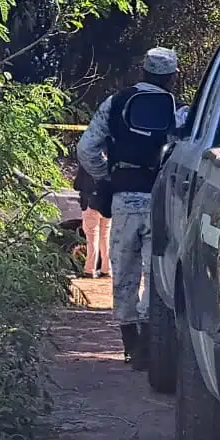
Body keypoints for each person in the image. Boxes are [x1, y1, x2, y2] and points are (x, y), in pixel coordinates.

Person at [76, 47, 181, 369]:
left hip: (124, 199)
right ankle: (152, 346)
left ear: (143, 71)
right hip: (163, 202)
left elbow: (87, 147)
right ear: (172, 77)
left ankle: (130, 345)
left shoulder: (116, 102)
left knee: (124, 270)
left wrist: (106, 176)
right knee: (156, 271)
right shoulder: (179, 110)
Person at [71, 160, 111, 278]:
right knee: (106, 238)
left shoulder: (87, 162)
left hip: (90, 204)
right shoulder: (110, 161)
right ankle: (107, 269)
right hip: (107, 206)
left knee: (92, 238)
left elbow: (77, 185)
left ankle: (89, 269)